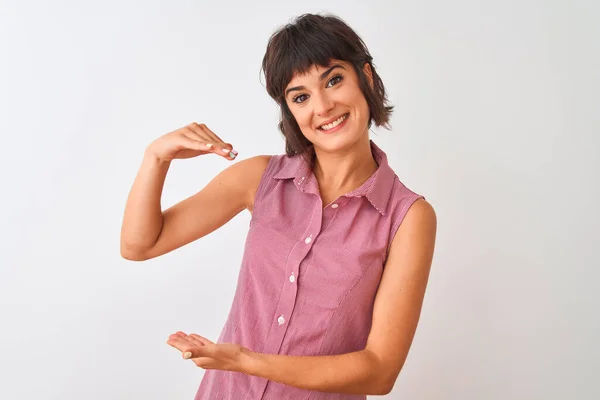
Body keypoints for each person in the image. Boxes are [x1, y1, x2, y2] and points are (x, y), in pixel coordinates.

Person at [120, 12, 437, 400]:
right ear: (290, 110)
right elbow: (140, 245)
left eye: (334, 79)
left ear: (366, 78)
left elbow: (379, 371)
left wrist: (246, 361)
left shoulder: (408, 218)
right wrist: (156, 157)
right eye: (300, 96)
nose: (322, 106)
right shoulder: (259, 179)